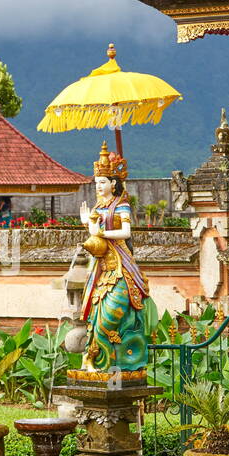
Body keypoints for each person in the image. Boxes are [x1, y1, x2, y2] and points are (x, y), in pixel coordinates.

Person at [77, 143, 149, 374]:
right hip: (101, 266)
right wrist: (88, 221)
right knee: (95, 313)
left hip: (120, 263)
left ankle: (117, 362)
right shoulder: (99, 205)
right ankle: (91, 360)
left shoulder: (122, 205)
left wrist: (101, 232)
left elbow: (126, 233)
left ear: (113, 184)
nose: (98, 186)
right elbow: (93, 233)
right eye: (96, 182)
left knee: (111, 311)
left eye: (102, 182)